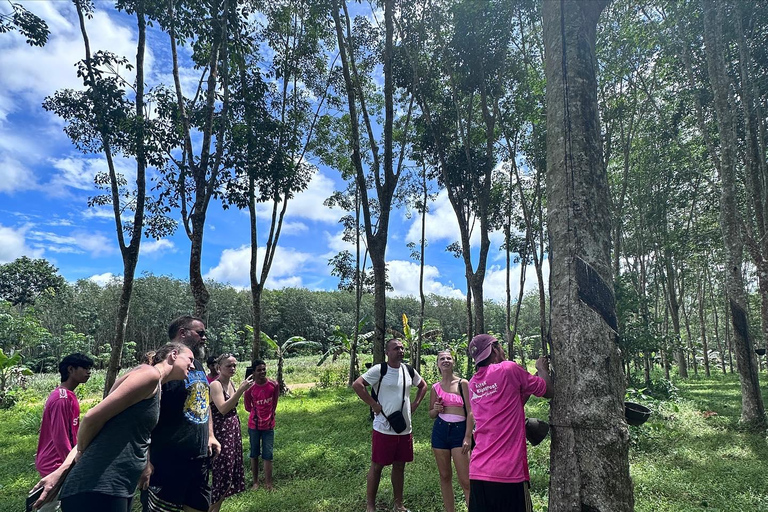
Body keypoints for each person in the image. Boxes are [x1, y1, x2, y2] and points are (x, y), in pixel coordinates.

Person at [30, 344, 195, 512]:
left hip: (117, 485)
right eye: (190, 359)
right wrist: (77, 455)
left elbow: (118, 430)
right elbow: (92, 418)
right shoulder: (149, 375)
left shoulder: (155, 386)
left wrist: (145, 463)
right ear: (174, 354)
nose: (193, 365)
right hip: (98, 485)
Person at [141, 315, 221, 512]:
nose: (204, 337)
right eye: (200, 333)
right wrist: (145, 460)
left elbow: (204, 401)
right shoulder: (160, 368)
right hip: (168, 461)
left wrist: (210, 435)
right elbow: (144, 419)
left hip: (199, 458)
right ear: (182, 333)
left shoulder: (197, 365)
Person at [466, 334, 553, 512]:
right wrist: (541, 368)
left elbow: (510, 403)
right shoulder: (508, 368)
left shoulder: (473, 384)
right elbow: (549, 391)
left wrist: (530, 380)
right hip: (508, 473)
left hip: (478, 472)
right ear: (495, 349)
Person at [352, 338, 428, 512]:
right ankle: (370, 505)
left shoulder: (408, 370)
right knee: (377, 465)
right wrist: (373, 404)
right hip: (383, 428)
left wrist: (415, 404)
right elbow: (357, 385)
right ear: (387, 352)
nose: (400, 351)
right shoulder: (380, 370)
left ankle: (398, 504)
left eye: (402, 348)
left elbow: (423, 386)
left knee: (400, 465)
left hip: (404, 428)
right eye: (396, 348)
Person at [34, 353, 93, 511]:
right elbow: (60, 438)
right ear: (71, 369)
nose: (89, 372)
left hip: (58, 460)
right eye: (85, 368)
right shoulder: (62, 398)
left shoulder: (67, 395)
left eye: (90, 369)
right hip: (56, 463)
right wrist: (72, 465)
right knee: (47, 506)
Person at [428, 349, 473, 512]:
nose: (445, 360)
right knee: (445, 476)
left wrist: (468, 436)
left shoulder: (463, 383)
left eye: (448, 358)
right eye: (442, 359)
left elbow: (470, 412)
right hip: (440, 432)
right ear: (438, 364)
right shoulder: (434, 388)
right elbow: (431, 414)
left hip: (459, 432)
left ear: (453, 362)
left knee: (466, 480)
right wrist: (436, 409)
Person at [208, 354, 253, 511]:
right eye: (229, 366)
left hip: (233, 432)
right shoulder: (215, 385)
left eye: (234, 365)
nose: (233, 368)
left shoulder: (231, 383)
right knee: (223, 475)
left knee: (231, 474)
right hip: (221, 434)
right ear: (219, 367)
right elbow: (223, 408)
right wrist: (241, 390)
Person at [243, 359, 279, 491]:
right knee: (254, 453)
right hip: (254, 426)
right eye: (259, 370)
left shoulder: (273, 385)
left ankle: (269, 484)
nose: (262, 372)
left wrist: (269, 416)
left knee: (268, 454)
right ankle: (255, 482)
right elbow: (247, 407)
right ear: (253, 372)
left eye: (264, 369)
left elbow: (274, 403)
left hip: (269, 426)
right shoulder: (249, 389)